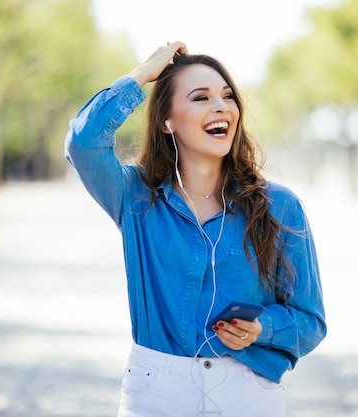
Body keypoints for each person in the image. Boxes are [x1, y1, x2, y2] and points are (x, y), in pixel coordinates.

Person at [64, 41, 326, 417]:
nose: (221, 106)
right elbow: (83, 142)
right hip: (155, 392)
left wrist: (262, 329)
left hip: (247, 390)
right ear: (167, 121)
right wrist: (142, 75)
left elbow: (310, 319)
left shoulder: (279, 206)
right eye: (200, 97)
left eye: (227, 96)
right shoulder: (136, 197)